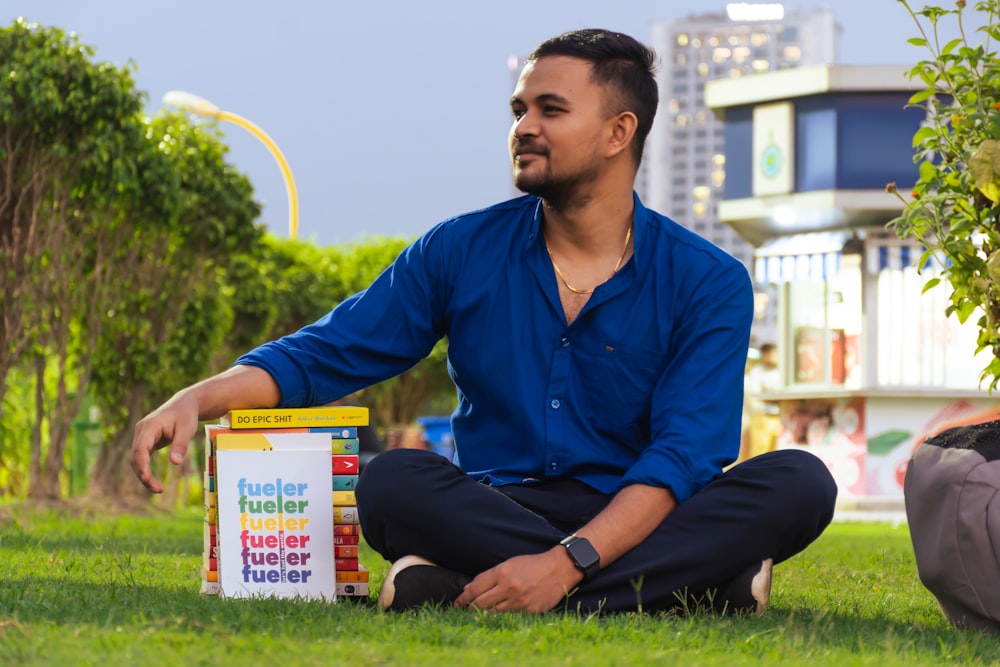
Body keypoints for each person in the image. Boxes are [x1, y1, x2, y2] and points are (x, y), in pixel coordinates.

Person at [131, 28, 837, 616]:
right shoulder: (459, 249)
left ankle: (453, 584)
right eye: (519, 108)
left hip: (637, 510)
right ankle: (697, 586)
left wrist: (565, 565)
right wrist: (199, 395)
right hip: (493, 506)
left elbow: (684, 452)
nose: (523, 127)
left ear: (620, 131)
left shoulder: (708, 279)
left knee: (801, 481)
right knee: (390, 482)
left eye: (550, 109)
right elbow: (328, 352)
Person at [744, 342, 783, 460]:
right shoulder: (756, 373)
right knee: (760, 453)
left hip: (776, 416)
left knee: (775, 453)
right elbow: (756, 395)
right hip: (761, 417)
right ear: (765, 355)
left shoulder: (778, 372)